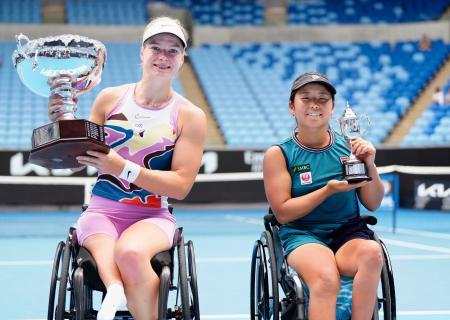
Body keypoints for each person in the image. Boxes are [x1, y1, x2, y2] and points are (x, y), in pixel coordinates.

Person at [48, 17, 206, 320]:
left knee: (130, 252)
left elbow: (181, 186)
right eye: (155, 47)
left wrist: (121, 167)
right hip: (100, 212)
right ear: (141, 52)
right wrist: (60, 123)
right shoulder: (110, 98)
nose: (163, 56)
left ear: (183, 58)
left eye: (173, 50)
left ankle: (121, 294)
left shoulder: (190, 115)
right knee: (105, 244)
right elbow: (75, 159)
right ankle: (116, 289)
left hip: (151, 216)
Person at [263, 72, 385, 320]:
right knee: (326, 278)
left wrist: (370, 163)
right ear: (291, 106)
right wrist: (327, 190)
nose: (314, 104)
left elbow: (373, 203)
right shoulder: (279, 154)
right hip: (302, 234)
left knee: (372, 253)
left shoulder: (350, 147)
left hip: (347, 232)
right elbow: (283, 213)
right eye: (305, 98)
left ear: (332, 107)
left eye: (322, 98)